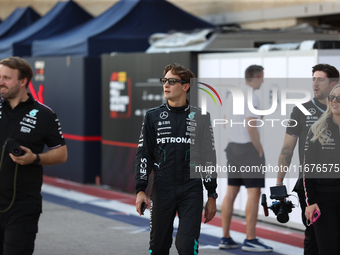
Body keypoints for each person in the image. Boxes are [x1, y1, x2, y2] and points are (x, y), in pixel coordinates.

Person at [135, 63, 218, 255]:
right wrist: (140, 189)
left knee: (186, 247)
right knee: (158, 247)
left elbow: (208, 157)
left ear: (186, 86)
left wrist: (212, 194)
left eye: (172, 81)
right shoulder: (152, 116)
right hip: (162, 188)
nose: (166, 85)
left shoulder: (202, 117)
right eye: (164, 80)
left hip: (191, 189)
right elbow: (143, 154)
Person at [0, 56, 67, 254]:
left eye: (6, 77)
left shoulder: (44, 114)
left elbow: (61, 154)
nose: (1, 82)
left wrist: (35, 158)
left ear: (23, 81)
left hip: (22, 205)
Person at [277, 64, 339, 254]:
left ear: (333, 84)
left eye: (320, 79)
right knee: (313, 236)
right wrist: (279, 184)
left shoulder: (335, 111)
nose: (315, 83)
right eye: (313, 79)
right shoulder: (301, 111)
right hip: (310, 185)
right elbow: (287, 150)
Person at [219, 65, 273, 252]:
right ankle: (250, 239)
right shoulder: (253, 96)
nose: (263, 81)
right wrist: (258, 149)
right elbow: (251, 126)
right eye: (263, 77)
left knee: (231, 192)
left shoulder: (233, 95)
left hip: (232, 148)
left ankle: (225, 237)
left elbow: (227, 120)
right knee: (253, 193)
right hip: (248, 150)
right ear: (257, 77)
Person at [304, 84, 340, 255]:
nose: (334, 101)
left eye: (339, 98)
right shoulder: (317, 130)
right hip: (323, 200)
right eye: (332, 97)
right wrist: (310, 202)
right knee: (328, 250)